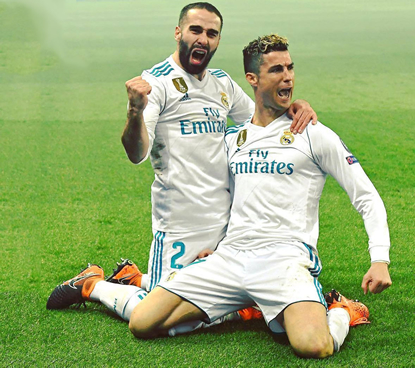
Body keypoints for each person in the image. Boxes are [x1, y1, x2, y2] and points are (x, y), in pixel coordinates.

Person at [125, 33, 390, 358]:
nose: (288, 76)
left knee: (313, 346)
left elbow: (365, 196)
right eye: (276, 69)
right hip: (230, 258)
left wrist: (380, 259)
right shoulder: (232, 139)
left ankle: (341, 312)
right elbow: (230, 197)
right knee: (142, 322)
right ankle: (255, 306)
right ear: (253, 79)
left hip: (284, 259)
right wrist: (219, 245)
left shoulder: (312, 134)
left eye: (290, 68)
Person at [119, 2, 316, 293]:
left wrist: (294, 106)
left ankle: (135, 278)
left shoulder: (222, 84)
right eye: (195, 30)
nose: (203, 39)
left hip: (226, 225)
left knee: (231, 301)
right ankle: (94, 286)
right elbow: (136, 154)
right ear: (178, 32)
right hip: (180, 225)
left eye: (211, 33)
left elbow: (262, 120)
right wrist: (135, 111)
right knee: (162, 317)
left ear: (218, 40)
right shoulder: (156, 83)